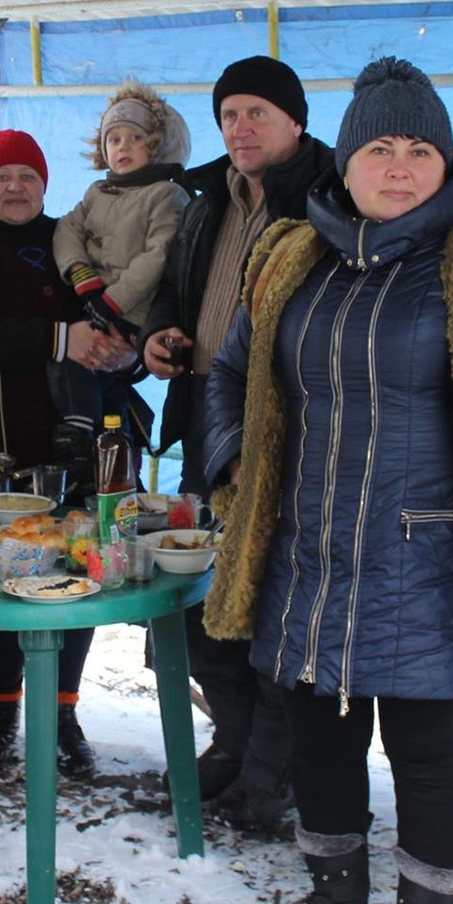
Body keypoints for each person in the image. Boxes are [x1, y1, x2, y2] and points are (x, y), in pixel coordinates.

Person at [204, 58, 453, 904]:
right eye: (378, 149)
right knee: (321, 740)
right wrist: (234, 465)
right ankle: (336, 900)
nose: (398, 168)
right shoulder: (289, 256)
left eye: (419, 151)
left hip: (428, 554)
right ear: (345, 161)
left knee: (429, 754)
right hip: (307, 546)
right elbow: (231, 373)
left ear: (446, 163)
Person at [138, 54, 333, 833]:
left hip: (288, 433)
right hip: (203, 426)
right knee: (204, 597)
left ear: (295, 121)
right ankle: (236, 739)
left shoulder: (328, 196)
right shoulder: (204, 198)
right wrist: (160, 332)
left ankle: (273, 769)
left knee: (275, 604)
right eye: (229, 115)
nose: (241, 128)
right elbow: (174, 289)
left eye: (258, 113)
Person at [0, 130, 135, 779]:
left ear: (45, 185)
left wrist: (123, 350)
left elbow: (117, 312)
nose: (14, 187)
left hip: (76, 437)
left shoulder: (73, 239)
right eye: (0, 177)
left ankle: (64, 711)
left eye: (27, 176)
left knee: (77, 567)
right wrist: (60, 339)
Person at [51, 80, 189, 450]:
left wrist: (112, 300)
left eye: (135, 138)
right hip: (92, 300)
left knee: (97, 360)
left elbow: (157, 257)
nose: (123, 146)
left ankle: (104, 436)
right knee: (74, 354)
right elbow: (67, 230)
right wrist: (83, 279)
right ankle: (87, 431)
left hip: (133, 310)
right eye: (113, 139)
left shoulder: (167, 195)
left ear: (156, 144)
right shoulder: (97, 193)